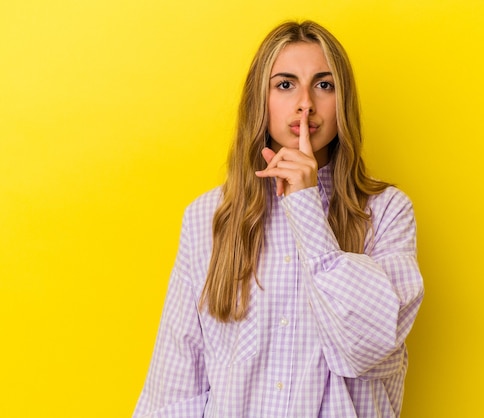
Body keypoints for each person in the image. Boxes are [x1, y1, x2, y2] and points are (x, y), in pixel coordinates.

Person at [133, 20, 424, 418]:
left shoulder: (387, 211)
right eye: (285, 85)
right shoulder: (208, 217)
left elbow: (364, 346)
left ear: (343, 103)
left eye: (324, 85)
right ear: (261, 99)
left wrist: (305, 204)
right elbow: (177, 382)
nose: (306, 103)